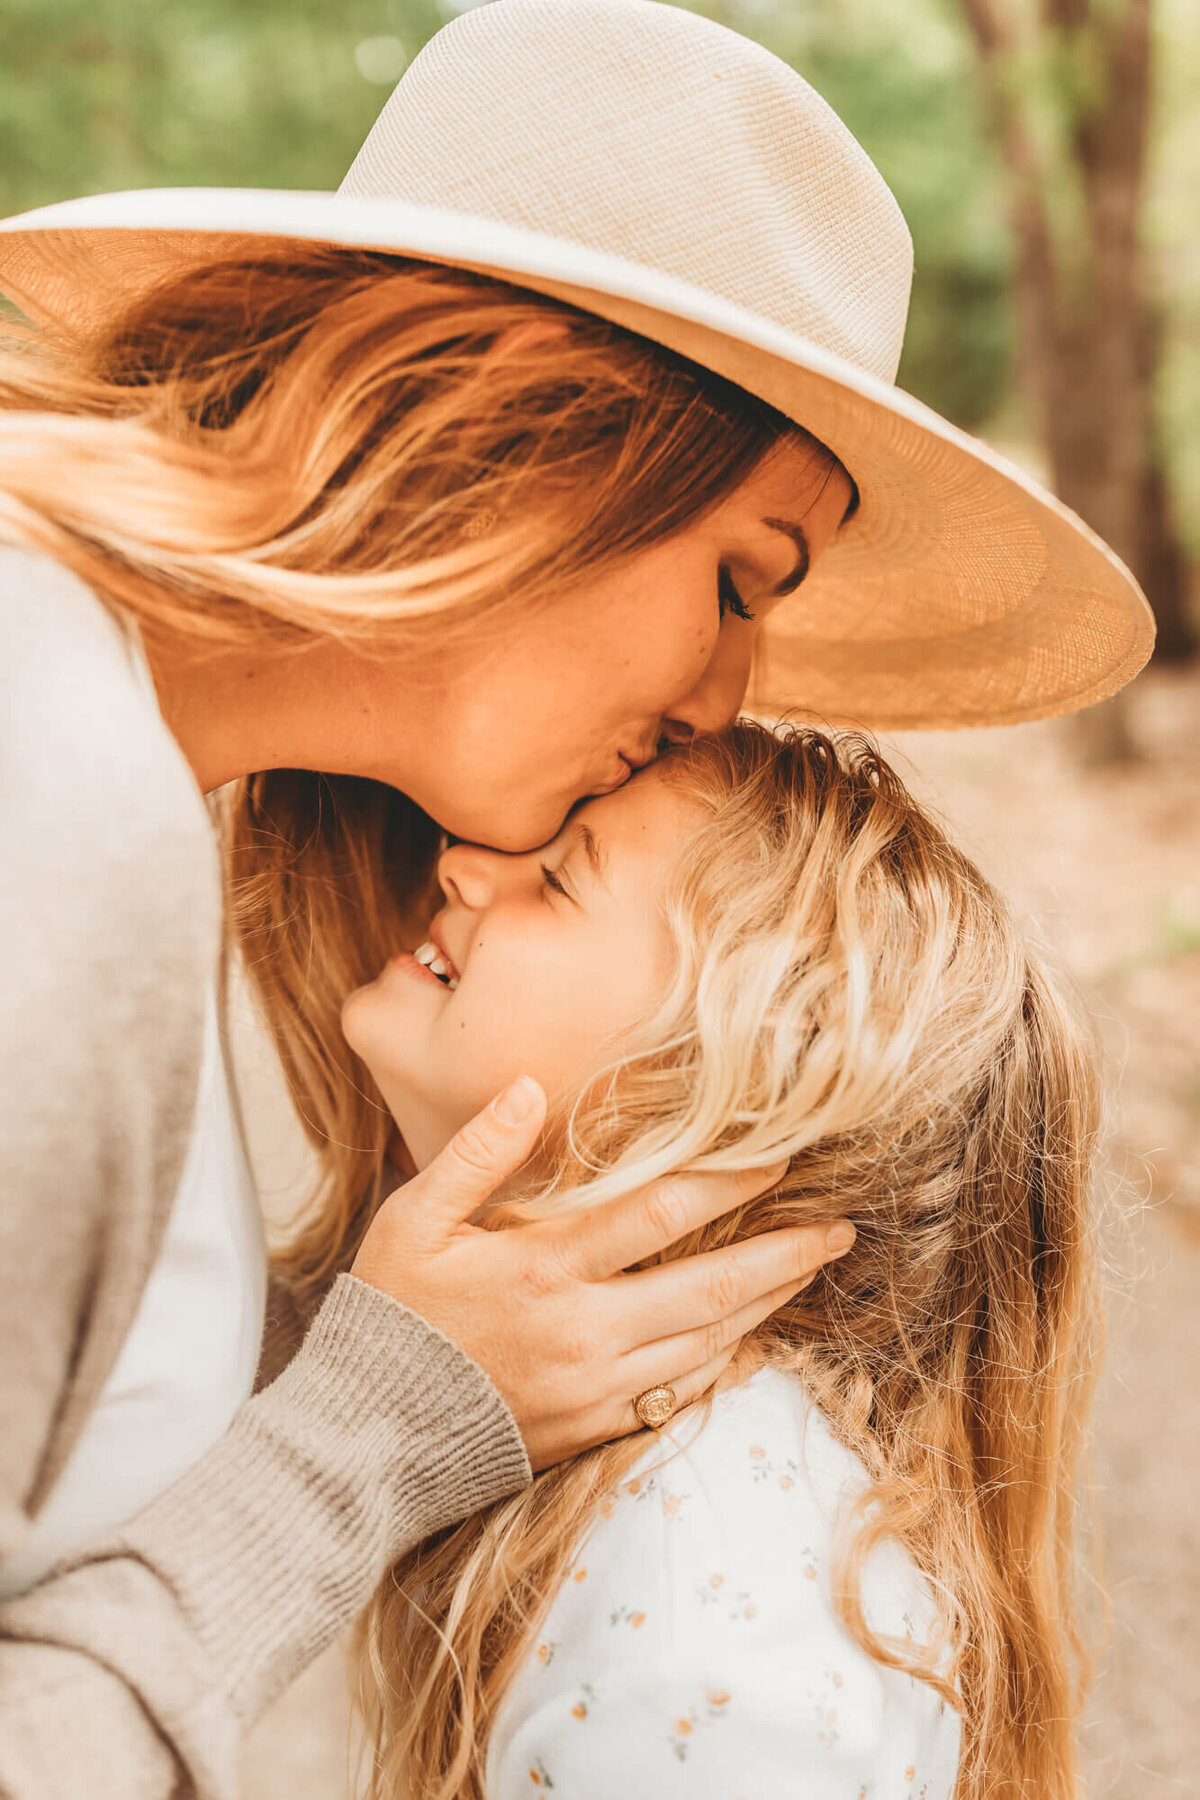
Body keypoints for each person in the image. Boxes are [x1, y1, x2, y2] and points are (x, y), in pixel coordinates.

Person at [0, 1, 1148, 1794]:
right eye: (744, 577)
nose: (736, 694)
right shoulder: (47, 820)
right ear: (533, 437)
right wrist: (371, 1432)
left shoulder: (99, 791)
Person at [343, 722, 1102, 1800]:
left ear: (707, 1100)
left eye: (560, 880)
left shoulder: (708, 1648)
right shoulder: (671, 1504)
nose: (464, 864)